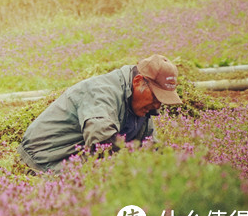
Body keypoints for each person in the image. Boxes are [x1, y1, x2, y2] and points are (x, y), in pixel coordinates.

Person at [17, 54, 182, 173]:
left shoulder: (140, 104)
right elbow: (103, 142)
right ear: (138, 81)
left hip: (76, 155)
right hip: (44, 160)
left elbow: (150, 146)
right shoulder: (102, 92)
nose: (158, 104)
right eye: (155, 96)